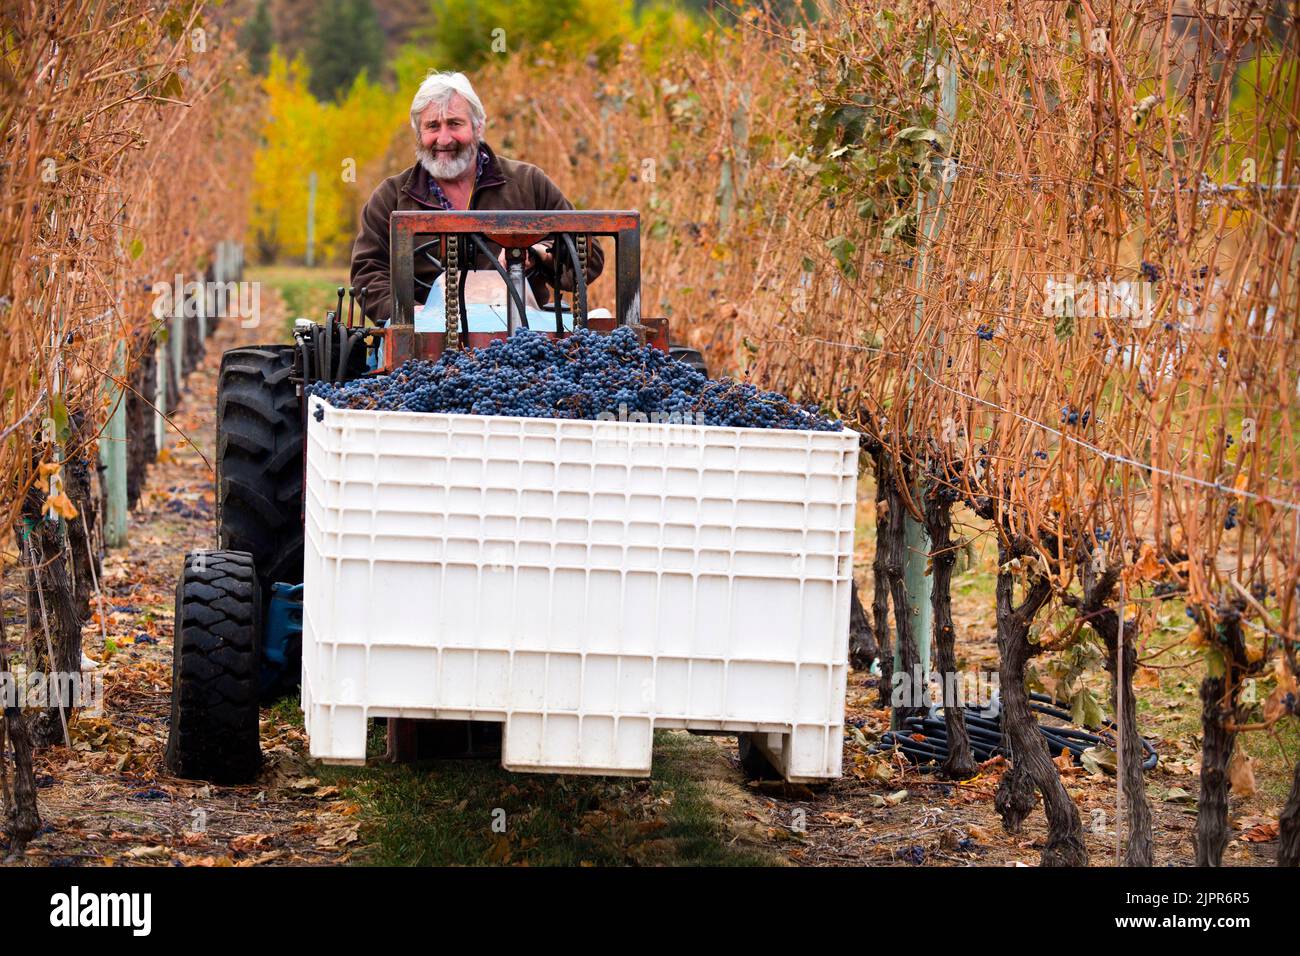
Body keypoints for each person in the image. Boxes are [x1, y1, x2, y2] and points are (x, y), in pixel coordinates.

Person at [350, 71, 604, 325]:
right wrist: (408, 314)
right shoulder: (391, 197)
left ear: (478, 126)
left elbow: (587, 258)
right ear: (418, 133)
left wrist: (538, 253)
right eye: (432, 126)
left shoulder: (528, 182)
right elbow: (368, 272)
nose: (444, 138)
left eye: (455, 123)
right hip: (424, 343)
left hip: (523, 336)